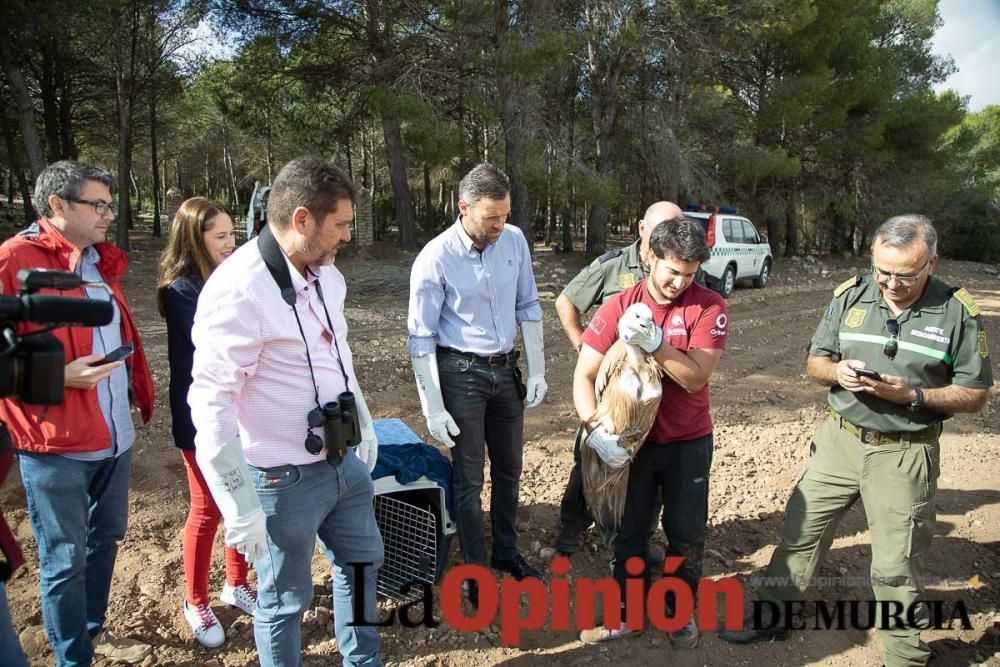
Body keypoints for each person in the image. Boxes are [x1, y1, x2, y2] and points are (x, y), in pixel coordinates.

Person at [720, 214, 993, 666]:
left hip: (904, 452)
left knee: (895, 564)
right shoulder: (852, 295)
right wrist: (838, 372)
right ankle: (773, 620)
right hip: (840, 441)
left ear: (932, 262)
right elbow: (816, 362)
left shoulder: (957, 311)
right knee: (798, 537)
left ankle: (905, 656)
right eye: (882, 271)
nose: (891, 283)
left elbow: (976, 394)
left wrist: (913, 395)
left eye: (904, 275)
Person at [188, 156, 382, 667]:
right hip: (281, 479)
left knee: (362, 566)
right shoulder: (238, 291)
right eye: (339, 224)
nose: (345, 235)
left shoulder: (326, 275)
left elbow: (337, 355)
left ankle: (363, 661)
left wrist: (360, 418)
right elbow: (210, 404)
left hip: (343, 462)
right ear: (302, 220)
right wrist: (238, 504)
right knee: (283, 601)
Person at [0, 161, 155, 665]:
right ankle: (73, 657)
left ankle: (92, 629)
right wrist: (58, 376)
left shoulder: (97, 261)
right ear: (58, 206)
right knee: (63, 558)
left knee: (106, 537)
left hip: (114, 436)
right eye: (99, 205)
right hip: (55, 445)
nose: (110, 214)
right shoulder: (12, 260)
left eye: (111, 205)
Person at [573, 217, 726, 648]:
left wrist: (656, 342)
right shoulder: (618, 304)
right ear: (649, 256)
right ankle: (626, 614)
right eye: (672, 270)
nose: (680, 282)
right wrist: (595, 431)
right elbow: (583, 376)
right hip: (631, 446)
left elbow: (696, 378)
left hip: (687, 442)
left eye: (689, 274)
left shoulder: (709, 306)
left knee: (685, 532)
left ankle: (677, 615)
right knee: (630, 531)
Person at [407, 163, 547, 603]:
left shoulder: (515, 240)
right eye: (491, 218)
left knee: (510, 469)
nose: (500, 226)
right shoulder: (435, 257)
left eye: (505, 216)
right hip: (460, 374)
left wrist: (539, 368)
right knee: (468, 477)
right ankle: (475, 568)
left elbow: (528, 303)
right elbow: (421, 337)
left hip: (506, 372)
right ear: (463, 208)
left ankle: (506, 552)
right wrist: (432, 403)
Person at [549, 201, 692, 559]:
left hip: (650, 389)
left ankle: (633, 538)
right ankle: (573, 526)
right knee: (591, 455)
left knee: (647, 473)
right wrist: (584, 346)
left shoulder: (680, 268)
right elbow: (567, 300)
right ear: (642, 228)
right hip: (610, 385)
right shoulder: (614, 265)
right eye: (661, 228)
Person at [157, 197, 255, 648]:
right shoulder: (181, 292)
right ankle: (195, 600)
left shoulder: (225, 278)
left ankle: (237, 582)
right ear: (195, 239)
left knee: (241, 496)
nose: (230, 243)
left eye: (233, 234)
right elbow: (225, 331)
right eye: (220, 237)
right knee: (207, 509)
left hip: (239, 414)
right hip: (199, 420)